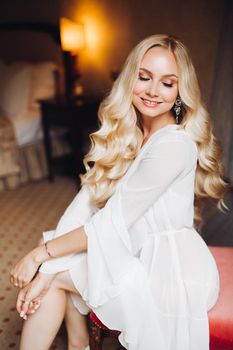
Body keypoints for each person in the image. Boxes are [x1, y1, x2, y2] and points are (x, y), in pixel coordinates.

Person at [10, 34, 227, 350]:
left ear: (181, 92)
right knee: (57, 259)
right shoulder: (131, 135)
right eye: (144, 77)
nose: (153, 91)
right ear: (131, 79)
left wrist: (42, 260)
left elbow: (111, 222)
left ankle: (77, 344)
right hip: (137, 250)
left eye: (167, 83)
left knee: (55, 272)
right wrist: (44, 257)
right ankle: (78, 343)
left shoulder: (174, 145)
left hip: (171, 272)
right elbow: (85, 203)